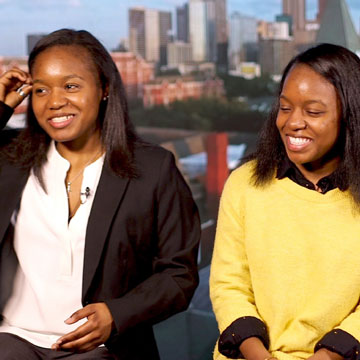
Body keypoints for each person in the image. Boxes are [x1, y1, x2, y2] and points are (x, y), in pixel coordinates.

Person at [0, 28, 200, 359]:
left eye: (71, 86)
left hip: (103, 348)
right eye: (40, 89)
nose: (54, 102)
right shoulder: (10, 158)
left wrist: (117, 314)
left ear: (104, 88)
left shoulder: (152, 169)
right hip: (12, 340)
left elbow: (179, 275)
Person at [210, 43, 360, 360]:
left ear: (349, 115)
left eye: (314, 111)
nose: (292, 123)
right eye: (285, 107)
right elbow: (228, 285)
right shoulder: (244, 184)